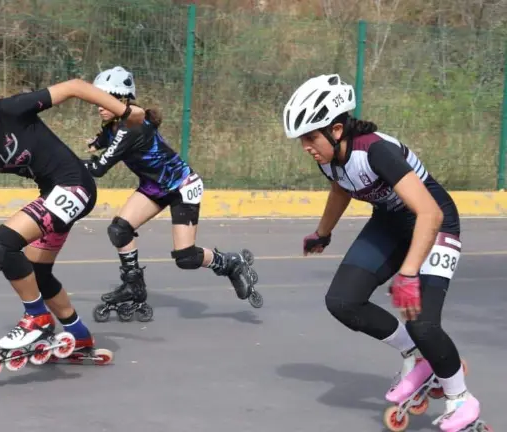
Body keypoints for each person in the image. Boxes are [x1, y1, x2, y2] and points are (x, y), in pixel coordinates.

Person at [283, 74, 488, 432]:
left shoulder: (376, 151)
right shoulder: (327, 157)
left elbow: (430, 213)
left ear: (335, 130)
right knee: (343, 301)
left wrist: (408, 274)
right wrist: (323, 232)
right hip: (392, 222)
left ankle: (460, 398)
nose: (305, 146)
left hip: (434, 222)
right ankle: (417, 358)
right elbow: (341, 189)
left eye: (310, 137)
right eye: (301, 139)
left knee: (423, 321)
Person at [0, 50, 145, 371]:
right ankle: (79, 337)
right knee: (37, 273)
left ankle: (37, 317)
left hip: (75, 186)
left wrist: (126, 112)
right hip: (54, 193)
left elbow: (73, 86)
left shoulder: (11, 109)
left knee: (2, 243)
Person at [82, 66, 262, 324]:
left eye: (105, 98)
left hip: (181, 187)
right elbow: (106, 138)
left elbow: (99, 168)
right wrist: (97, 142)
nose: (99, 105)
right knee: (119, 230)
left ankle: (230, 262)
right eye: (97, 99)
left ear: (122, 100)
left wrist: (65, 164)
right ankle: (134, 286)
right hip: (154, 186)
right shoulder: (114, 125)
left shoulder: (131, 129)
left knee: (186, 258)